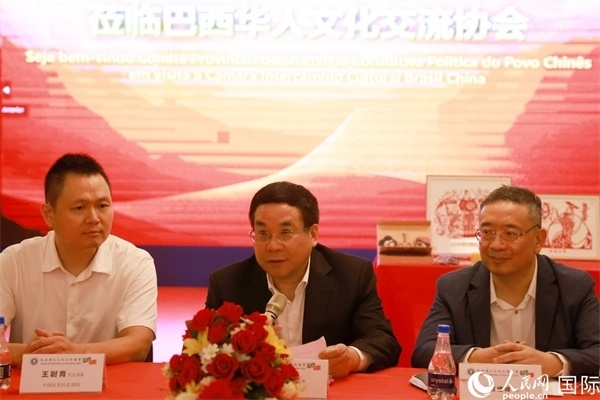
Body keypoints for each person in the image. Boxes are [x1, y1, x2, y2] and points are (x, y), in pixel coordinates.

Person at [205, 181, 401, 378]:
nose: (273, 246)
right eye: (263, 233)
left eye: (285, 232)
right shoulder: (227, 284)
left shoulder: (351, 275)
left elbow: (382, 339)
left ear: (313, 234)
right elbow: (204, 351)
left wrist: (352, 358)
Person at [411, 185, 599, 378]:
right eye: (487, 232)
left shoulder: (574, 287)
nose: (496, 245)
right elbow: (424, 350)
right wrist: (476, 358)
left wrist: (553, 363)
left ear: (538, 240)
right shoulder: (453, 287)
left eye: (510, 234)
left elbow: (597, 350)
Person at [0, 153, 157, 365]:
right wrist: (32, 354)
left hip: (110, 385)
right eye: (79, 208)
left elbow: (138, 344)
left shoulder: (135, 263)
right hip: (31, 383)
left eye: (102, 206)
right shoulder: (13, 262)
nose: (94, 218)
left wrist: (73, 353)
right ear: (48, 214)